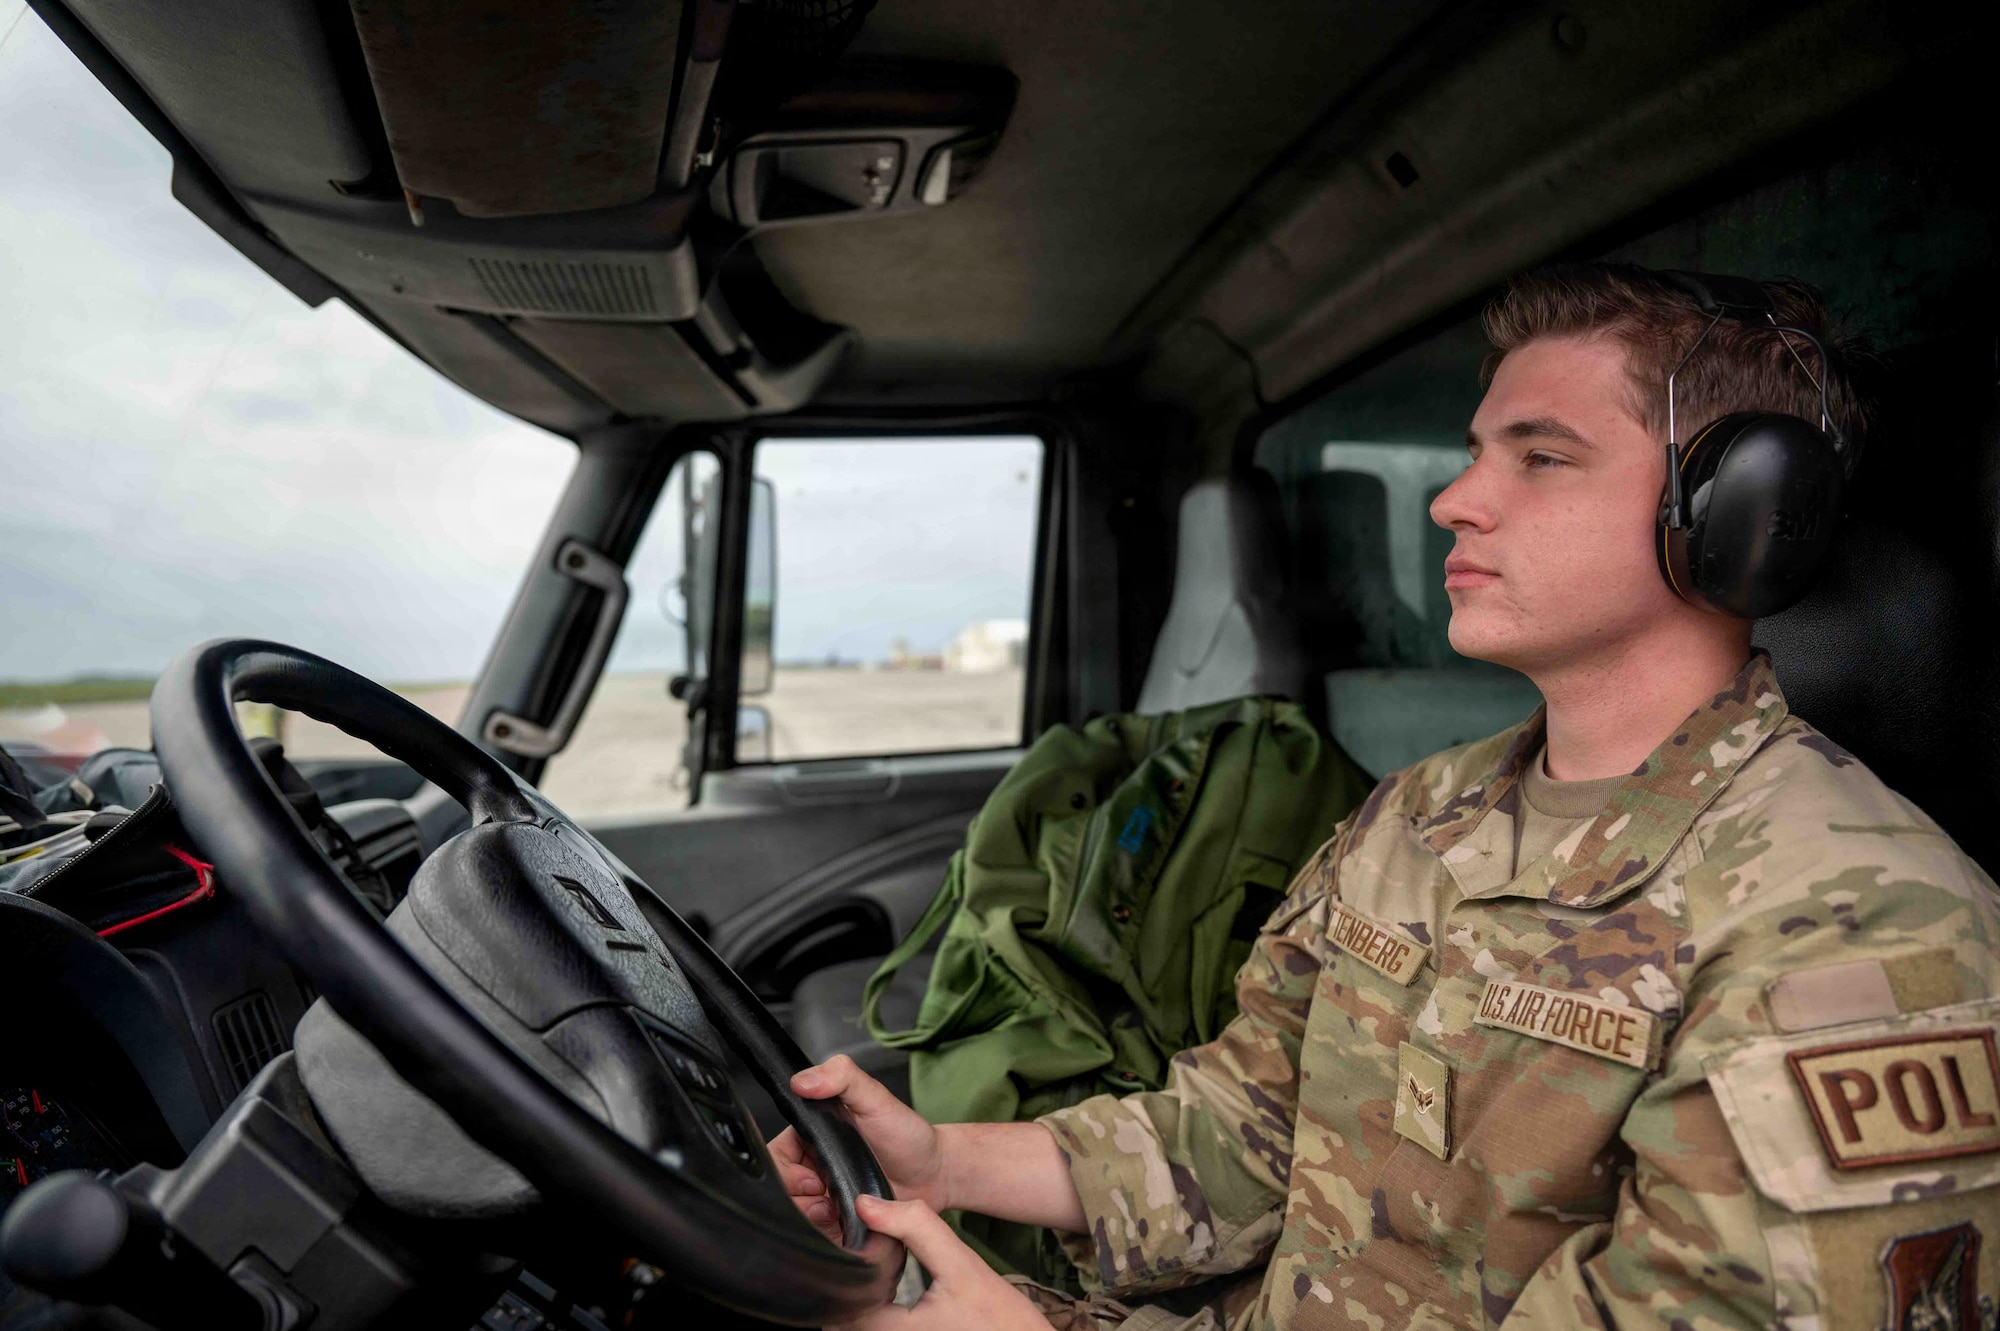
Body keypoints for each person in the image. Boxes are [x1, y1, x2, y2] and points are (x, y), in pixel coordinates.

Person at [769, 263, 2000, 1330]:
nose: (1453, 498)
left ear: (1736, 514)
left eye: (1540, 456)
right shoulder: (1423, 812)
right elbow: (1246, 1123)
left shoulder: (1860, 926)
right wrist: (941, 1162)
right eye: (1473, 453)